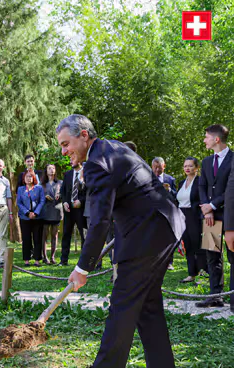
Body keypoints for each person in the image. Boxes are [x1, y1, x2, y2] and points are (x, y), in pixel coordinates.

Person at [59, 114, 185, 368]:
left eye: (65, 144)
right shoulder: (112, 147)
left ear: (84, 135)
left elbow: (99, 222)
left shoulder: (96, 163)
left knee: (122, 309)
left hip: (147, 236)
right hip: (164, 226)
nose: (63, 152)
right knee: (147, 309)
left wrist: (83, 268)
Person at [197, 125, 233, 308]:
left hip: (229, 214)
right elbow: (202, 186)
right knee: (212, 255)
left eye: (206, 137)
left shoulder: (233, 159)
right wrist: (207, 209)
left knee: (231, 256)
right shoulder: (206, 161)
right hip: (210, 216)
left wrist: (212, 205)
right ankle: (215, 296)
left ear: (216, 139)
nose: (204, 140)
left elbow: (230, 189)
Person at [177, 157, 207, 283]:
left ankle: (203, 273)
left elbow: (203, 199)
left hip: (194, 216)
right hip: (182, 216)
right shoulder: (181, 183)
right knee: (187, 246)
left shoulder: (200, 181)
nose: (187, 168)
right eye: (185, 166)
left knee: (198, 245)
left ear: (196, 168)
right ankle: (191, 274)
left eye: (190, 166)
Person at [59, 163, 86, 266]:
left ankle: (83, 262)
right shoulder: (68, 174)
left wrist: (81, 201)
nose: (71, 162)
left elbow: (89, 192)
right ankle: (63, 260)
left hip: (81, 210)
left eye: (73, 159)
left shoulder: (86, 173)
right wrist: (65, 202)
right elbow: (63, 190)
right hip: (69, 209)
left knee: (84, 236)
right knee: (66, 234)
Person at [17, 170, 45, 266]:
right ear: (23, 179)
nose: (28, 178)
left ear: (34, 178)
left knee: (37, 238)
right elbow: (19, 203)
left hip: (37, 218)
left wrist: (35, 213)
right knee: (26, 239)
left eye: (30, 176)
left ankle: (37, 260)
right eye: (26, 177)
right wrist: (27, 213)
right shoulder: (20, 189)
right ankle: (26, 260)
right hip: (25, 218)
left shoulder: (39, 188)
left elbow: (42, 201)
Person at [40, 164, 62, 264]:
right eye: (49, 168)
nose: (52, 170)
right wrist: (45, 197)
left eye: (53, 168)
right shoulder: (42, 184)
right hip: (45, 212)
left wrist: (59, 195)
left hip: (56, 211)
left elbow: (65, 195)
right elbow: (38, 197)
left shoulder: (60, 183)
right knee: (44, 235)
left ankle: (52, 257)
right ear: (46, 171)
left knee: (54, 235)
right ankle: (45, 257)